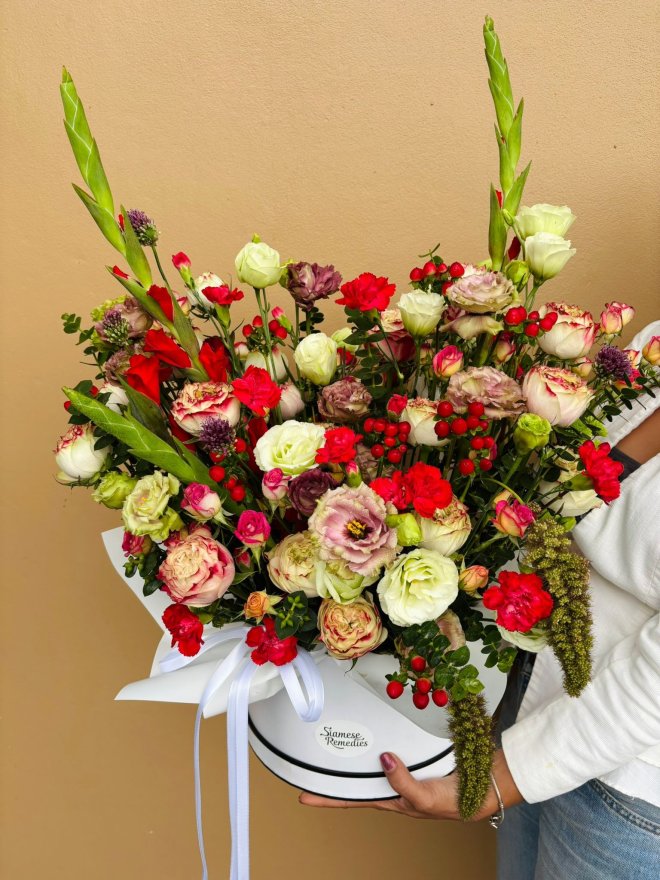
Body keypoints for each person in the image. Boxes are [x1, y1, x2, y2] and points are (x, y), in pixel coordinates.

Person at [300, 321, 660, 879]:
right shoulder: (650, 351)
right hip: (536, 711)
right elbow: (565, 499)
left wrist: (501, 779)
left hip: (627, 792)